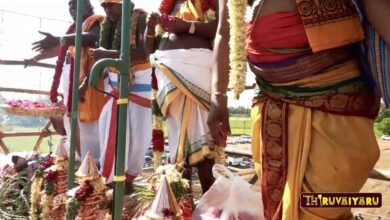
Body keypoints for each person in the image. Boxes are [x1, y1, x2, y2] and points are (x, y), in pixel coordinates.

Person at [208, 0, 390, 219]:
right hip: (271, 106)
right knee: (287, 205)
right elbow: (223, 31)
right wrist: (217, 97)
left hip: (335, 107)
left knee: (324, 206)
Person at [144, 0, 218, 193]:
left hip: (196, 69)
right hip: (167, 70)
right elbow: (148, 50)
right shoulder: (169, 5)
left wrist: (187, 26)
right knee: (178, 143)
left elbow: (219, 28)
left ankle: (210, 205)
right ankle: (182, 204)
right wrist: (150, 28)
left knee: (202, 138)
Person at [25, 0, 104, 163]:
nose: (72, 9)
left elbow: (93, 39)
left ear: (88, 6)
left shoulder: (95, 22)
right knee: (72, 117)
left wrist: (60, 39)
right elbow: (61, 48)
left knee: (87, 118)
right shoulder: (73, 28)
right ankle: (80, 158)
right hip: (69, 76)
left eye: (76, 5)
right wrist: (36, 58)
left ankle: (94, 161)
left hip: (87, 77)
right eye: (70, 6)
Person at [92, 0, 151, 193]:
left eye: (111, 5)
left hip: (139, 86)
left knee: (138, 137)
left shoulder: (140, 17)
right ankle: (112, 179)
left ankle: (128, 179)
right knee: (110, 129)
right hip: (115, 88)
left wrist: (109, 54)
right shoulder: (106, 26)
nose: (107, 10)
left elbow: (145, 51)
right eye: (104, 6)